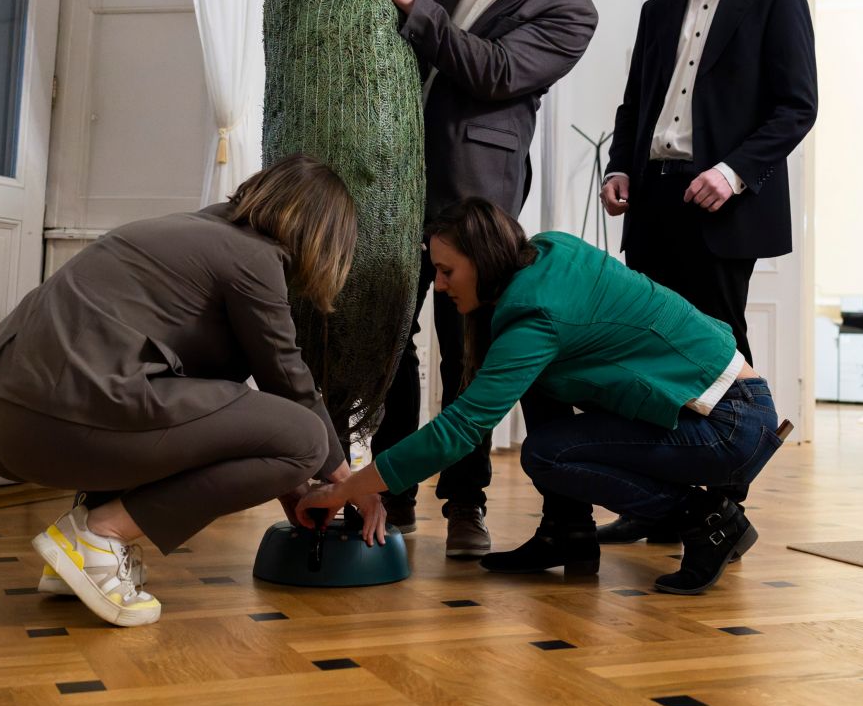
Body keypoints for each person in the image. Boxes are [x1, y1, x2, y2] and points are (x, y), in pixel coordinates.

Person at [0, 156, 385, 630]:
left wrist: (288, 479)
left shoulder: (187, 234)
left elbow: (207, 408)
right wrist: (349, 484)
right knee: (306, 437)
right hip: (54, 418)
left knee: (230, 421)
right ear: (324, 235)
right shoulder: (254, 258)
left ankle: (76, 559)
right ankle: (98, 537)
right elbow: (291, 384)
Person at [298, 199, 785, 593]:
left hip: (729, 427)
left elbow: (461, 428)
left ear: (483, 260)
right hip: (740, 410)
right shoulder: (548, 252)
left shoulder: (533, 317)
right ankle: (566, 532)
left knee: (550, 453)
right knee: (541, 384)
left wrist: (347, 488)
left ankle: (707, 521)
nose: (439, 285)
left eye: (447, 271)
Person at [370, 0, 597, 558]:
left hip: (478, 196)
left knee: (468, 353)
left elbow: (494, 72)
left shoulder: (572, 13)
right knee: (387, 342)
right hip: (394, 175)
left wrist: (416, 3)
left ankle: (464, 505)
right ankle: (391, 497)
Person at [597, 0, 816, 546]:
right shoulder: (657, 11)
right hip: (654, 199)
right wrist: (619, 165)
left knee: (718, 350)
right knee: (649, 351)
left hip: (722, 202)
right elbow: (636, 103)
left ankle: (722, 504)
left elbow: (796, 107)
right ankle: (659, 499)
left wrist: (732, 173)